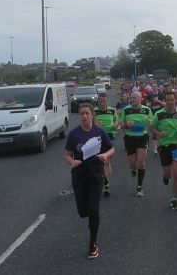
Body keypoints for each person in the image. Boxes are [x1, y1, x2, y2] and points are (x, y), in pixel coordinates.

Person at [64, 103, 115, 259]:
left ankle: (93, 243)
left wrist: (106, 156)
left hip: (96, 175)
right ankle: (90, 221)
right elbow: (67, 153)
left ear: (92, 115)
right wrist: (71, 162)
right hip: (79, 176)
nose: (84, 116)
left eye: (87, 113)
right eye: (82, 114)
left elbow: (112, 148)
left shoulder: (99, 132)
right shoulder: (74, 134)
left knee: (93, 210)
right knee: (82, 212)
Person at [150, 91, 177, 210]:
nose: (170, 102)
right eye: (168, 100)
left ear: (175, 100)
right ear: (165, 101)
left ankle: (174, 199)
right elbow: (152, 127)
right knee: (168, 173)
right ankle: (166, 177)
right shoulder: (158, 114)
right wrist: (158, 133)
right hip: (164, 146)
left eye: (172, 100)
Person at [120, 91, 153, 197]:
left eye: (134, 98)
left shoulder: (146, 109)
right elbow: (121, 124)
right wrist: (126, 124)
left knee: (141, 162)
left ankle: (139, 187)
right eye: (131, 98)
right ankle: (134, 169)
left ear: (140, 99)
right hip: (130, 138)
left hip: (142, 137)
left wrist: (149, 122)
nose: (132, 99)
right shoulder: (126, 110)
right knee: (132, 164)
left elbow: (152, 121)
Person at [94, 93, 119, 197]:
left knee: (107, 161)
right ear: (98, 101)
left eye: (104, 101)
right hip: (96, 138)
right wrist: (94, 125)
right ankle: (102, 182)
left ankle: (106, 184)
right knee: (99, 162)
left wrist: (115, 125)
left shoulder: (112, 110)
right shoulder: (94, 111)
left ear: (107, 101)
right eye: (101, 101)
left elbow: (117, 121)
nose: (103, 103)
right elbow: (87, 122)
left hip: (109, 136)